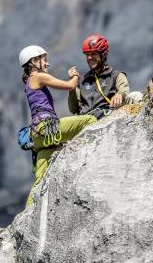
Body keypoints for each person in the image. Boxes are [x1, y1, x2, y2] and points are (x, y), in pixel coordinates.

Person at [20, 45, 96, 207]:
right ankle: (89, 160)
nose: (47, 64)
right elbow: (69, 86)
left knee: (39, 181)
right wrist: (74, 76)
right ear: (33, 62)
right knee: (90, 121)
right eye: (44, 60)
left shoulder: (29, 81)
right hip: (47, 129)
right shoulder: (38, 76)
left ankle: (24, 218)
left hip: (38, 136)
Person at [68, 34, 143, 118]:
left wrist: (120, 94)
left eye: (93, 54)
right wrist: (72, 86)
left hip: (108, 115)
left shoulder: (116, 76)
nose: (89, 58)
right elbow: (73, 109)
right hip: (86, 119)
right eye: (87, 54)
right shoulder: (81, 81)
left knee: (136, 95)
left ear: (104, 54)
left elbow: (125, 91)